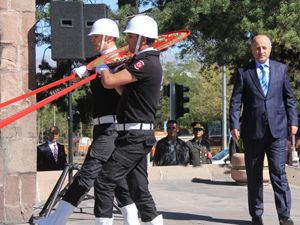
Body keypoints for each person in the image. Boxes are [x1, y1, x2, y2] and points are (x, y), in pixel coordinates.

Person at [35, 18, 139, 225]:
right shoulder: (95, 61)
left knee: (87, 173)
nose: (92, 40)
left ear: (109, 37)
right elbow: (81, 76)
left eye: (96, 37)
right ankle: (133, 221)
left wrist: (108, 71)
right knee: (117, 180)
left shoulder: (123, 60)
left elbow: (127, 95)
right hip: (102, 126)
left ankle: (56, 220)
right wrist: (83, 72)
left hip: (114, 126)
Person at [94, 14, 163, 224]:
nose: (128, 41)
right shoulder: (141, 61)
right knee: (138, 188)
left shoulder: (146, 62)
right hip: (132, 134)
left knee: (104, 181)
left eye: (131, 37)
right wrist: (110, 71)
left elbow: (109, 82)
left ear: (142, 38)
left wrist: (102, 67)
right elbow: (122, 89)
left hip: (136, 135)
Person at [229, 34, 298, 225]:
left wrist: (294, 121)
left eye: (264, 47)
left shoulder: (281, 69)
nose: (261, 51)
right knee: (254, 175)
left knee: (279, 174)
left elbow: (289, 98)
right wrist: (234, 124)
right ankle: (256, 214)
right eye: (257, 48)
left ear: (270, 49)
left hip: (277, 131)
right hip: (252, 132)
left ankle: (284, 216)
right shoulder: (244, 72)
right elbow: (235, 101)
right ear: (252, 50)